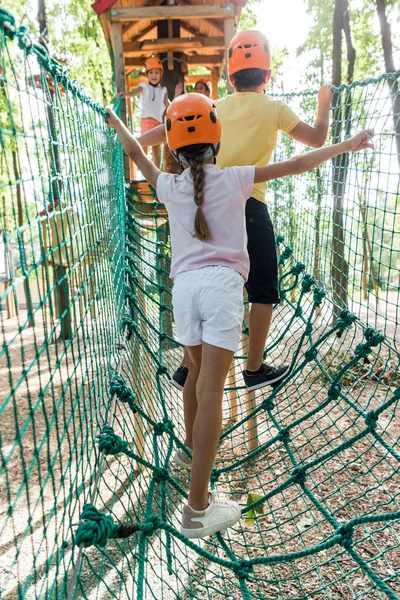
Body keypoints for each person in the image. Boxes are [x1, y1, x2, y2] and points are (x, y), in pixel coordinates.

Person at [106, 93, 373, 539]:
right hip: (222, 289)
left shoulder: (167, 185)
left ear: (172, 147)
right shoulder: (234, 178)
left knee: (194, 374)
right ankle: (197, 509)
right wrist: (344, 145)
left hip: (183, 292)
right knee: (213, 390)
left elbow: (135, 150)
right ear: (218, 141)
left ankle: (193, 447)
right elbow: (297, 166)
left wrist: (117, 121)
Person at [136, 30, 333, 393]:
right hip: (250, 204)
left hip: (209, 202)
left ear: (229, 77)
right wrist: (324, 104)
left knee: (202, 270)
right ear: (267, 76)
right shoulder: (275, 108)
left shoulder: (217, 107)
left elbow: (171, 132)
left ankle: (185, 366)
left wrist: (134, 141)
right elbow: (316, 140)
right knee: (262, 287)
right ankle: (255, 367)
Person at [119, 57, 168, 168]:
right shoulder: (143, 87)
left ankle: (156, 172)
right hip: (146, 121)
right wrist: (125, 95)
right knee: (143, 146)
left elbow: (167, 104)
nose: (154, 75)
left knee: (156, 149)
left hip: (157, 122)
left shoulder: (163, 90)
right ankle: (145, 171)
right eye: (151, 73)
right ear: (147, 75)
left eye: (156, 72)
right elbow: (135, 92)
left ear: (161, 74)